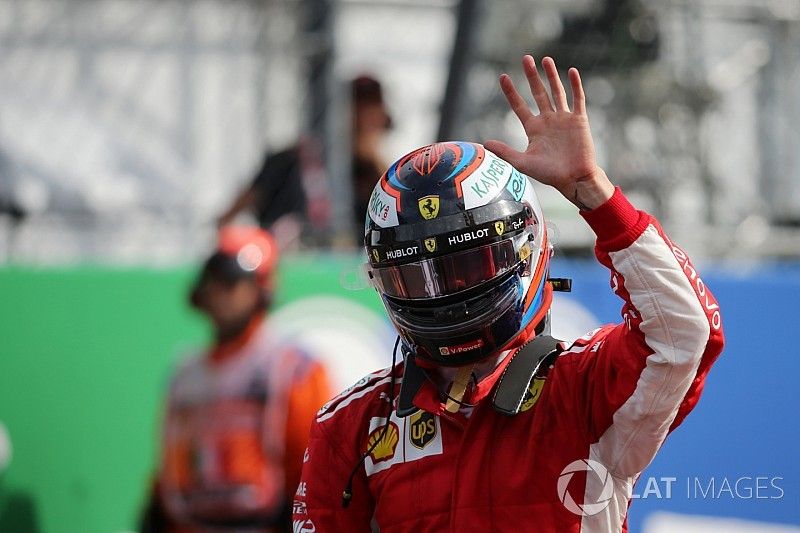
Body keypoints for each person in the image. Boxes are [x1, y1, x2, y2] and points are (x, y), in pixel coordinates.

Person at [292, 56, 724, 531]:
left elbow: (685, 332)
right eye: (417, 277)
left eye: (465, 266)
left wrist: (593, 192)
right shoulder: (353, 424)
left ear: (527, 247)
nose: (446, 296)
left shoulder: (583, 390)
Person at [141, 226, 332, 533]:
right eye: (213, 279)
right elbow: (169, 471)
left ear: (261, 288)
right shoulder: (185, 373)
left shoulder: (292, 369)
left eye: (232, 281)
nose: (220, 292)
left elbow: (314, 468)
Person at [217, 75, 392, 248]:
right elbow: (231, 216)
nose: (369, 120)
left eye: (373, 113)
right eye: (362, 111)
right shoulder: (291, 161)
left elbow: (392, 207)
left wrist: (373, 160)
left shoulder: (373, 173)